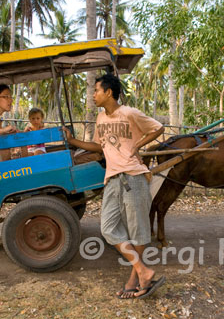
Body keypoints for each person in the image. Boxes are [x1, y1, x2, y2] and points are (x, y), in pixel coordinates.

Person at [63, 73, 165, 300]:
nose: (93, 95)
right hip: (112, 179)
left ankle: (135, 279)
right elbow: (98, 147)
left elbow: (158, 128)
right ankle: (143, 271)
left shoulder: (129, 113)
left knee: (138, 232)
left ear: (108, 92)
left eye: (96, 91)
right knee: (108, 228)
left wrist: (137, 145)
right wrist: (72, 142)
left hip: (134, 178)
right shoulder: (101, 119)